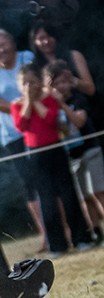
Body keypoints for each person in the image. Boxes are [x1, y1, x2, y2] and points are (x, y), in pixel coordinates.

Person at [11, 63, 92, 256]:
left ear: (39, 82)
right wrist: (28, 101)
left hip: (55, 150)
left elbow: (50, 120)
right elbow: (21, 126)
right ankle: (57, 245)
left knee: (68, 195)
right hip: (35, 155)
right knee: (46, 201)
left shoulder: (50, 99)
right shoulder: (17, 104)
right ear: (19, 85)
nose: (29, 86)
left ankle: (81, 238)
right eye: (25, 83)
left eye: (33, 81)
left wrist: (36, 100)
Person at [0, 29, 47, 250]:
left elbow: (41, 87)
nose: (1, 50)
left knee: (48, 180)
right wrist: (26, 104)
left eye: (4, 43)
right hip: (12, 135)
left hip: (39, 129)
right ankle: (45, 234)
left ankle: (63, 229)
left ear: (13, 42)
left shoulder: (27, 58)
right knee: (29, 185)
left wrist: (20, 106)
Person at [44, 59, 104, 244]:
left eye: (65, 81)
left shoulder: (77, 99)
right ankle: (96, 233)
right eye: (57, 83)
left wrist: (62, 105)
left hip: (90, 150)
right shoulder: (49, 104)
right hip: (71, 155)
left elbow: (79, 122)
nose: (62, 86)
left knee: (99, 192)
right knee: (84, 197)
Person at [30, 20, 95, 97]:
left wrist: (72, 80)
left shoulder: (73, 56)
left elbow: (91, 89)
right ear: (35, 42)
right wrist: (47, 88)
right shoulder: (34, 66)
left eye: (49, 36)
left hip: (80, 105)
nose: (46, 41)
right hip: (53, 107)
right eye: (41, 38)